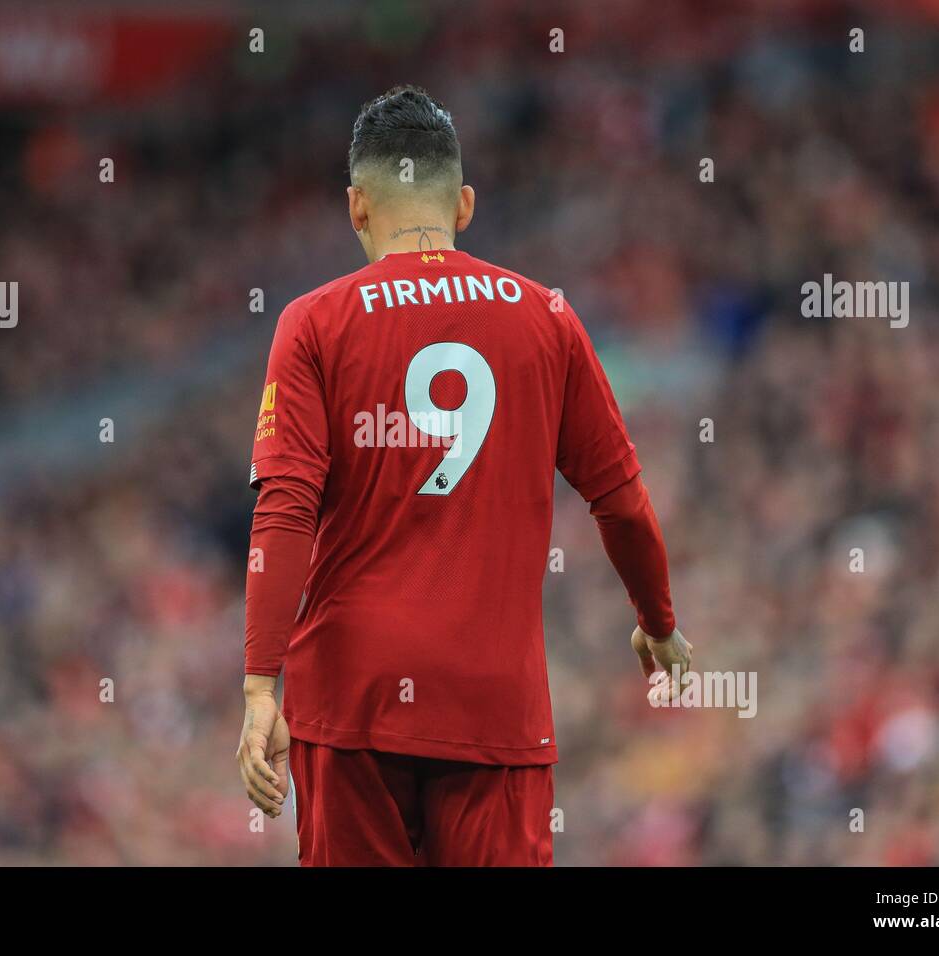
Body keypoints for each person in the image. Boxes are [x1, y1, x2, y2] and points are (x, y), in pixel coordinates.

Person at [236, 85, 692, 866]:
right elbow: (620, 501)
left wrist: (258, 688)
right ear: (466, 204)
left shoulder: (312, 322)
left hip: (352, 701)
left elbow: (285, 509)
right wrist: (657, 620)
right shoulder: (545, 316)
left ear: (356, 208)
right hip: (493, 707)